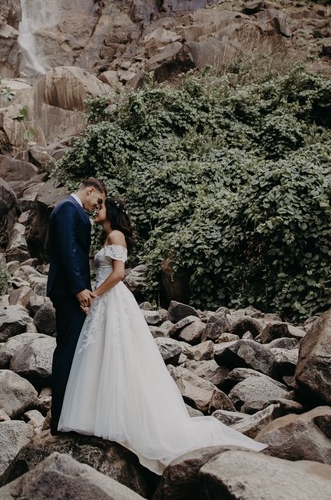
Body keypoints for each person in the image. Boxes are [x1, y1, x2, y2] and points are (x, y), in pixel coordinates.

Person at [58, 196, 267, 473]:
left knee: (118, 356)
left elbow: (119, 274)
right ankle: (100, 414)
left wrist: (95, 294)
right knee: (104, 355)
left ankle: (119, 418)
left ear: (113, 213)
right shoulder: (110, 236)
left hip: (111, 300)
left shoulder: (116, 235)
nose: (97, 210)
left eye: (102, 207)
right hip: (106, 303)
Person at [46, 176, 107, 435]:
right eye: (98, 200)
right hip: (68, 291)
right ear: (90, 189)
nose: (97, 206)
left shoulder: (72, 210)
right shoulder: (67, 209)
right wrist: (79, 289)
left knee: (74, 350)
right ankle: (60, 419)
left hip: (72, 290)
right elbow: (68, 251)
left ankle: (68, 413)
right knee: (68, 351)